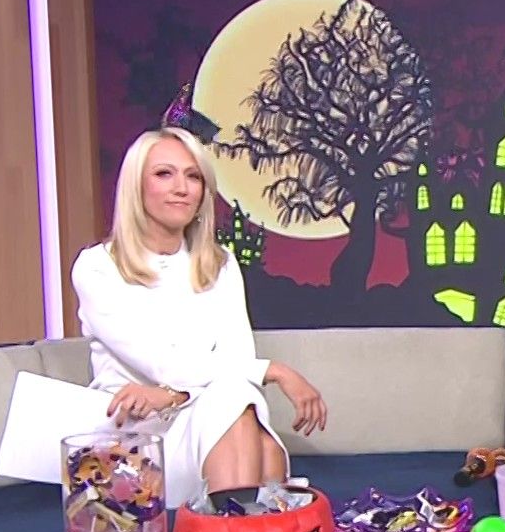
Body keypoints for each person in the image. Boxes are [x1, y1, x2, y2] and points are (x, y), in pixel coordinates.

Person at [71, 127, 327, 510]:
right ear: (135, 186)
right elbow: (163, 363)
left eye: (193, 177)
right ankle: (249, 529)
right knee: (238, 404)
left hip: (211, 421)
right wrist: (273, 370)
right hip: (136, 440)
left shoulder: (219, 264)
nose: (181, 188)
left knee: (235, 395)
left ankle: (235, 530)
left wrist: (173, 394)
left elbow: (236, 359)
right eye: (164, 174)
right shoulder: (98, 268)